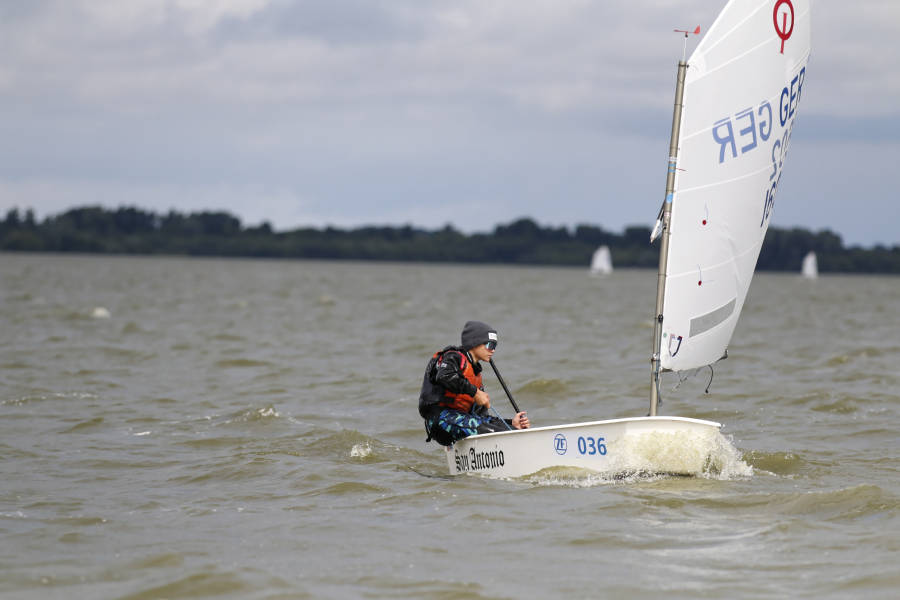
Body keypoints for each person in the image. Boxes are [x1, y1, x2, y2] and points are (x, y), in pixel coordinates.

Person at [418, 320, 530, 446]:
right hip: (440, 420)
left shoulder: (475, 375)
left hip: (460, 419)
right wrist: (475, 393)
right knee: (494, 432)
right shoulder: (454, 357)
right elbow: (444, 376)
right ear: (474, 343)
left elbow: (481, 417)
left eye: (495, 346)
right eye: (490, 345)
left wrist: (511, 424)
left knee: (509, 429)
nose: (493, 350)